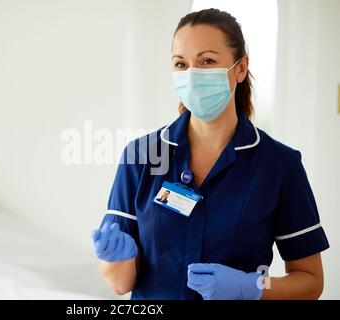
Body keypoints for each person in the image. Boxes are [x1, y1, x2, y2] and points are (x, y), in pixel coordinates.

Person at [91, 8, 329, 300]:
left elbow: (310, 281)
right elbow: (120, 284)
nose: (192, 75)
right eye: (181, 64)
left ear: (240, 68)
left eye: (207, 61)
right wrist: (115, 258)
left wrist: (251, 287)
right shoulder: (141, 156)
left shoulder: (279, 165)